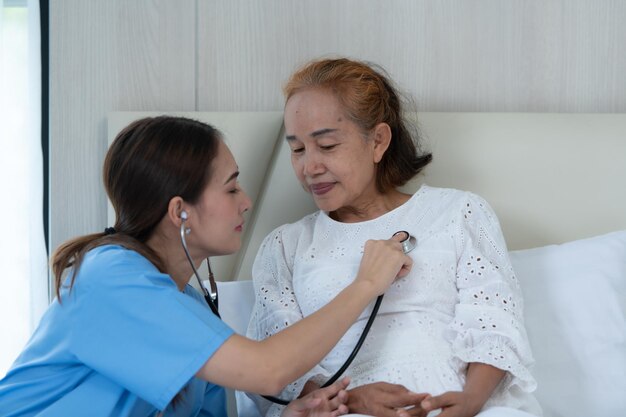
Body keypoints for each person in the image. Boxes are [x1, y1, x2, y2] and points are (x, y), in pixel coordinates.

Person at [0, 116, 414, 417]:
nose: (246, 201)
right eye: (231, 187)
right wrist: (364, 285)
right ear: (180, 211)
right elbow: (267, 371)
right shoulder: (109, 276)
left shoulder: (193, 312)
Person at [246, 58, 542, 417]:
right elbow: (273, 371)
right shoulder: (285, 247)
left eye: (326, 145)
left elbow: (494, 323)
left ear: (378, 141)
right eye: (297, 150)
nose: (309, 167)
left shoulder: (458, 212)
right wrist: (352, 400)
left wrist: (468, 403)